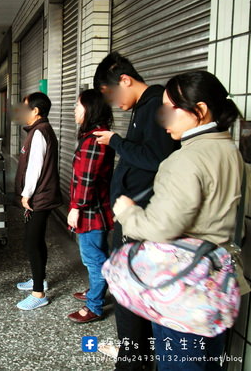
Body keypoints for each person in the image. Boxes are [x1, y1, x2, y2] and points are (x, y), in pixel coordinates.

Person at [113, 71, 245, 369]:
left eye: (170, 110)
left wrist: (127, 212)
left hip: (184, 287)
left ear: (199, 110)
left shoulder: (184, 159)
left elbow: (160, 228)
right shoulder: (228, 150)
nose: (162, 119)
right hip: (217, 284)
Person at [93, 52, 179, 367]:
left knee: (131, 297)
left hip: (142, 221)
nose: (114, 103)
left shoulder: (156, 105)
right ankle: (135, 357)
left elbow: (156, 159)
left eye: (111, 94)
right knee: (130, 295)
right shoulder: (143, 106)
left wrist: (115, 141)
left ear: (125, 80)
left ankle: (133, 362)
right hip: (133, 218)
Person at [67, 90, 115, 323]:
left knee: (93, 259)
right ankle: (97, 291)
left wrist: (76, 207)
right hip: (95, 210)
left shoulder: (94, 139)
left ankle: (94, 305)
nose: (75, 110)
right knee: (98, 255)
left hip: (91, 212)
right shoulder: (97, 135)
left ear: (91, 109)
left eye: (78, 105)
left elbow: (87, 179)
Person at [14, 92, 62, 310]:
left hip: (39, 196)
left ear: (35, 111)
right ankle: (38, 279)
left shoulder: (40, 132)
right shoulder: (38, 130)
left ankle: (39, 294)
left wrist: (27, 193)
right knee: (36, 240)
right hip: (40, 195)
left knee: (32, 242)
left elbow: (35, 167)